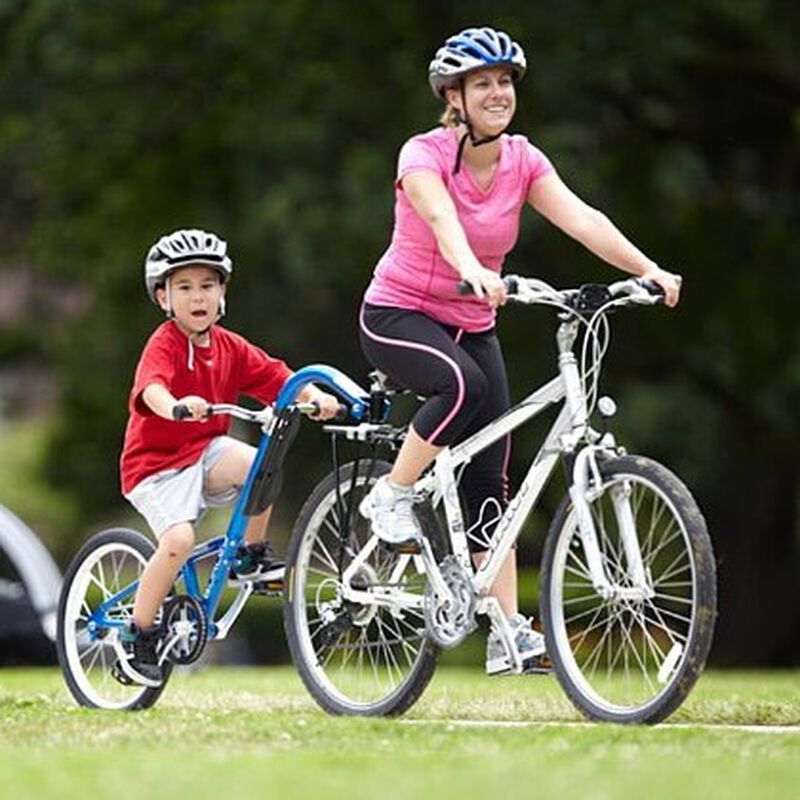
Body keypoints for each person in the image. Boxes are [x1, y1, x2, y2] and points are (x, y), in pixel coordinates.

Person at [357, 27, 682, 676]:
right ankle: (391, 495)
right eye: (483, 84)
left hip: (473, 324)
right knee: (464, 389)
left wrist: (650, 269)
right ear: (454, 97)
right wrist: (471, 268)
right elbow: (442, 219)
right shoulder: (422, 155)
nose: (498, 93)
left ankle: (507, 630)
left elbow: (583, 217)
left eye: (505, 81)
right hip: (399, 314)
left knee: (489, 484)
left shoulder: (523, 162)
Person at [118, 228, 340, 685]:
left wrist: (314, 395)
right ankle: (138, 634)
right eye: (184, 287)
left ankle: (250, 555)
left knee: (262, 462)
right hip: (156, 467)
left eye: (207, 285)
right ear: (163, 297)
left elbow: (278, 376)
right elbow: (152, 389)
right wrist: (176, 406)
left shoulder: (229, 346)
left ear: (222, 293)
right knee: (178, 543)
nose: (197, 297)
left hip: (204, 453)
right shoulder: (164, 343)